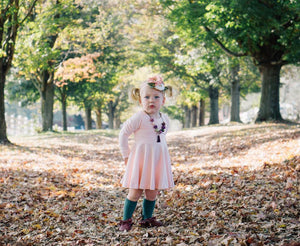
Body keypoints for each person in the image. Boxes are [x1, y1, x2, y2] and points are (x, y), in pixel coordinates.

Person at [118, 75, 174, 231]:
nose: (151, 100)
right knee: (135, 192)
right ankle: (126, 220)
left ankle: (147, 218)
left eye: (156, 97)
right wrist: (126, 155)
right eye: (147, 97)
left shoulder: (164, 119)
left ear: (163, 100)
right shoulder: (139, 118)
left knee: (152, 192)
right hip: (141, 160)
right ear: (140, 100)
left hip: (156, 160)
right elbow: (123, 134)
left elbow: (160, 138)